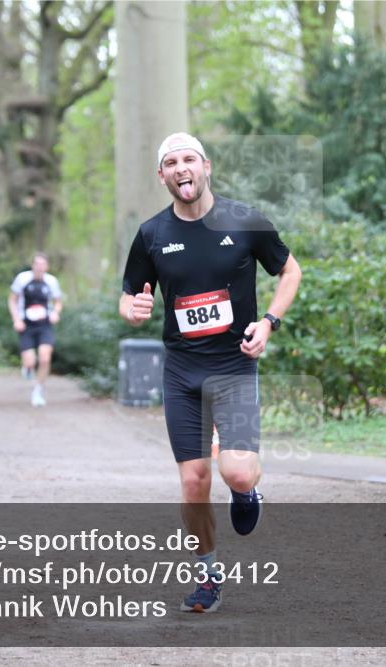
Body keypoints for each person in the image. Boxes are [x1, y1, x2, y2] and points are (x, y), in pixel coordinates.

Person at [119, 132, 302, 613]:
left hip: (234, 366)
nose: (181, 168)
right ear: (161, 175)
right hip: (182, 373)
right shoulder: (152, 234)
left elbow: (291, 272)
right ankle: (208, 577)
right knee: (193, 482)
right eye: (171, 163)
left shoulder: (244, 221)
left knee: (236, 472)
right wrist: (132, 309)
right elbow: (129, 295)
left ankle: (248, 493)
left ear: (206, 166)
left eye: (189, 159)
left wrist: (269, 322)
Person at [9, 252, 63, 407]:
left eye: (42, 264)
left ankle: (38, 391)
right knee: (30, 361)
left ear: (47, 266)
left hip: (44, 324)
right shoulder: (22, 279)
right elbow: (12, 300)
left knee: (45, 358)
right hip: (26, 324)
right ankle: (27, 367)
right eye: (37, 264)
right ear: (32, 265)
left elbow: (58, 302)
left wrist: (55, 313)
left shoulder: (51, 281)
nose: (39, 267)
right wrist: (16, 319)